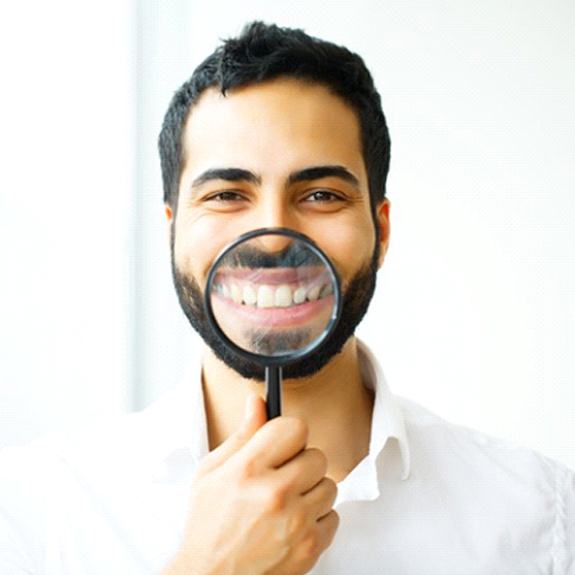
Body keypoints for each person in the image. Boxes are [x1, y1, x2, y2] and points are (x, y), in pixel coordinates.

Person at [1, 21, 573, 575]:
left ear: (383, 230)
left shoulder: (542, 518)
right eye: (227, 194)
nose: (274, 235)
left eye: (321, 194)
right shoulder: (34, 512)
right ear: (172, 228)